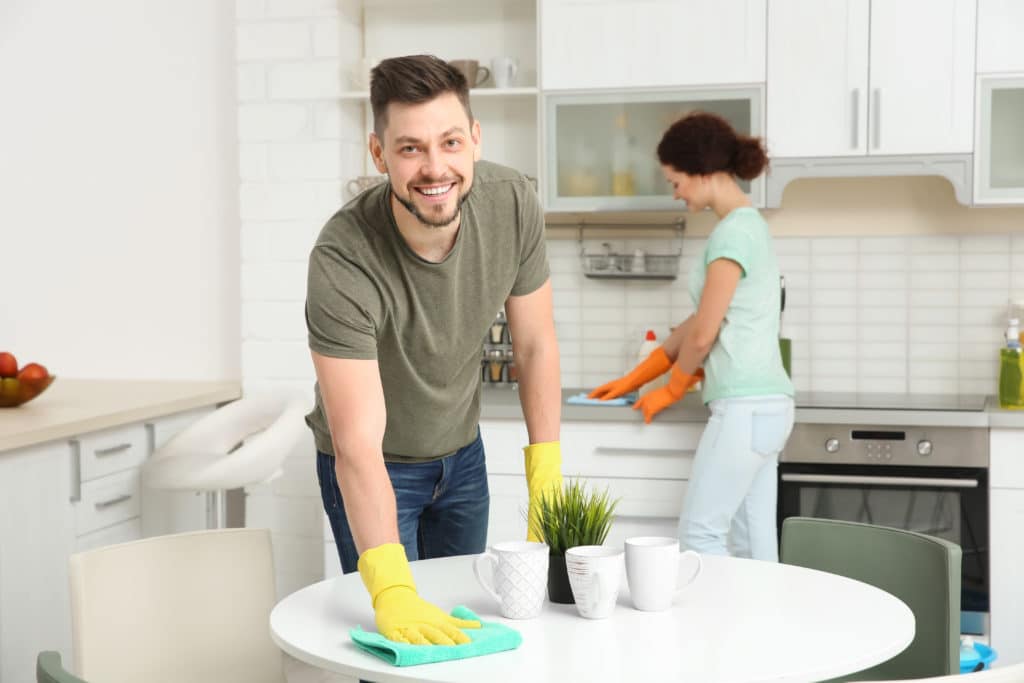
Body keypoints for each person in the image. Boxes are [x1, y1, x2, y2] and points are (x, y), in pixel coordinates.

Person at [305, 54, 562, 646]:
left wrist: (544, 473)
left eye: (449, 142)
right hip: (377, 466)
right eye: (411, 148)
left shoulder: (513, 202)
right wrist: (392, 590)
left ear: (474, 138)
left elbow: (535, 342)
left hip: (463, 459)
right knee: (399, 642)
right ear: (379, 154)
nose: (434, 167)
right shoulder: (343, 257)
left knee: (464, 630)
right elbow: (356, 444)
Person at [590, 111, 794, 562]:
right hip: (769, 407)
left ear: (702, 173)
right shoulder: (749, 226)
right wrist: (637, 377)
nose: (676, 192)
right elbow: (695, 323)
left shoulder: (733, 233)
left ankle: (712, 633)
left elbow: (704, 334)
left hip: (743, 409)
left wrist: (672, 389)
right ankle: (761, 630)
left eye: (676, 180)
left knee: (700, 533)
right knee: (753, 539)